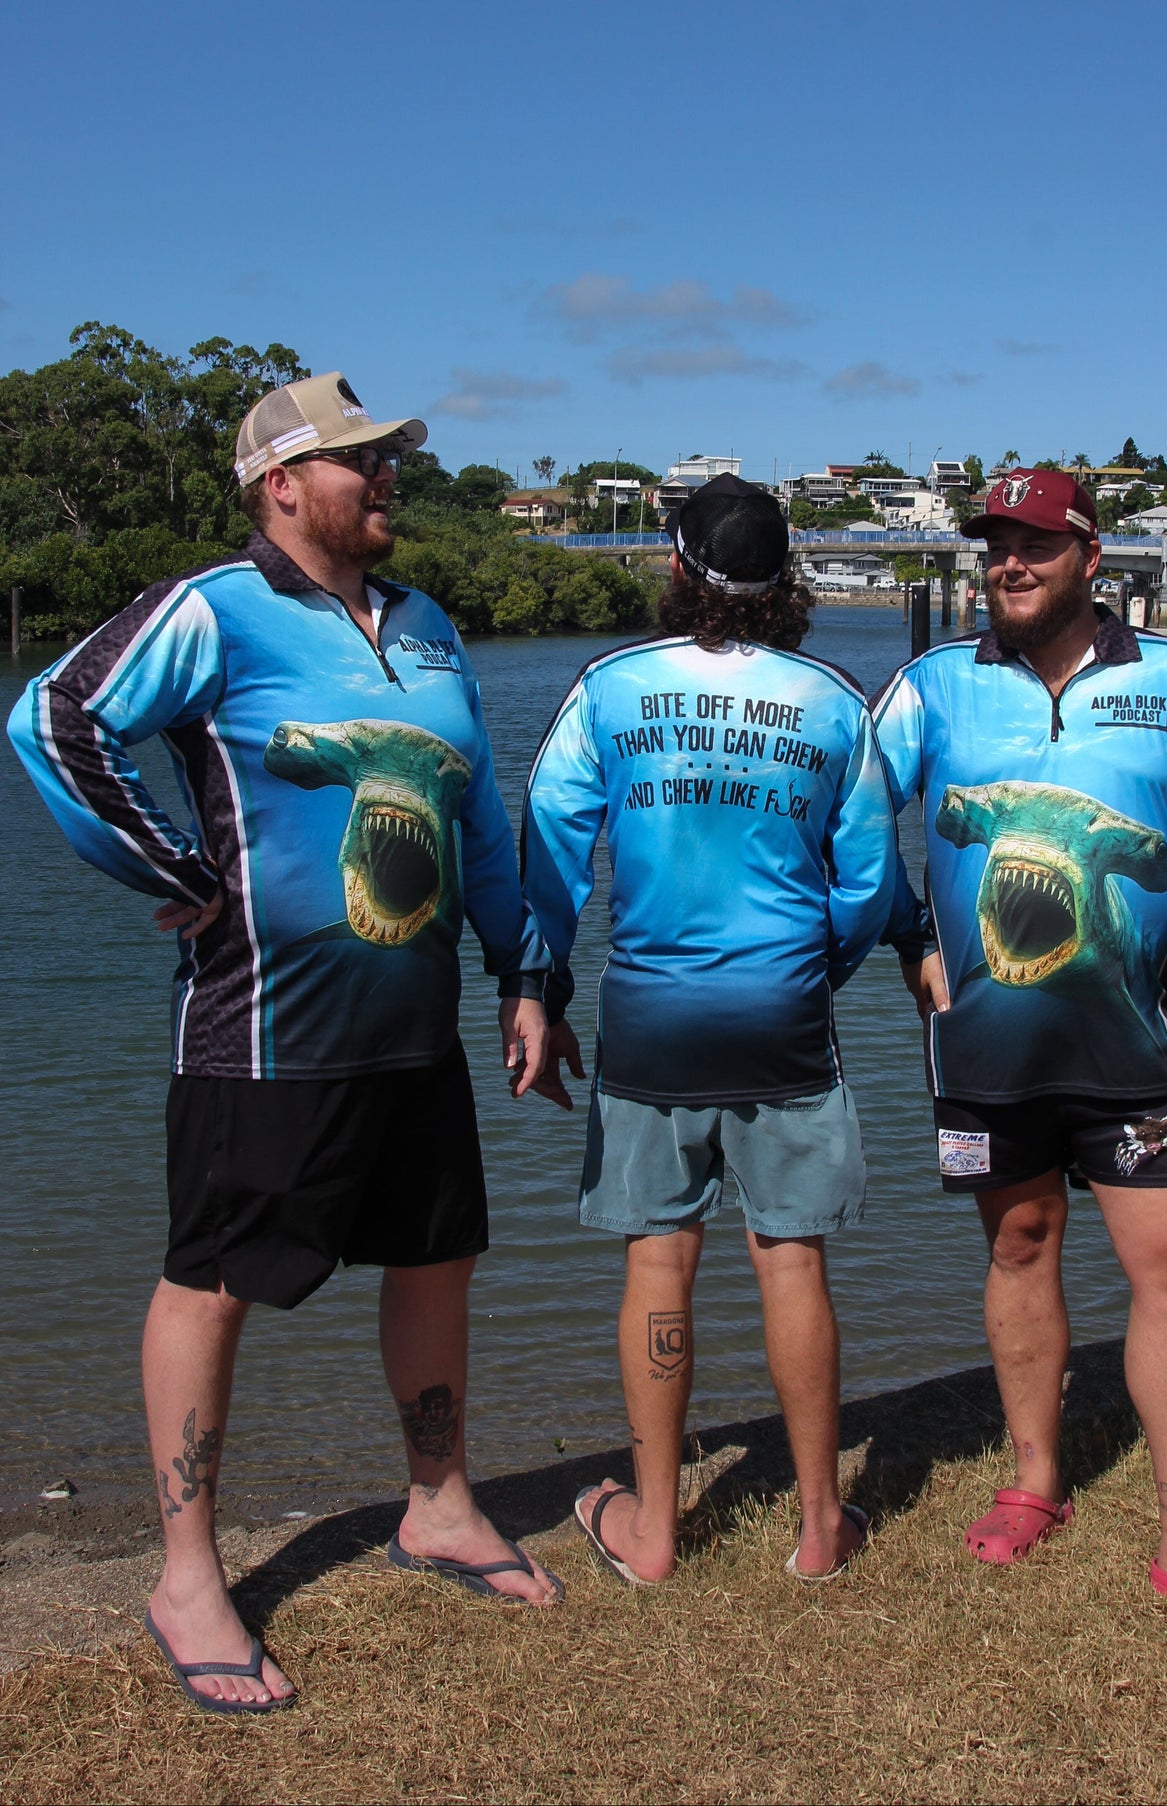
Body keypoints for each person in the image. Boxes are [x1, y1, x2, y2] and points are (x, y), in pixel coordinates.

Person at [8, 372, 563, 1714]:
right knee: (215, 1279)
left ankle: (437, 1503)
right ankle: (186, 1571)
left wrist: (525, 968)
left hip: (412, 1029)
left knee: (437, 1255)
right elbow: (56, 719)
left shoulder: (426, 626)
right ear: (281, 484)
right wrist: (171, 866)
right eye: (361, 464)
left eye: (391, 463)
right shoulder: (215, 606)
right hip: (261, 1033)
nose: (387, 481)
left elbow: (480, 816)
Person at [872, 467, 1167, 1637]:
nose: (1005, 564)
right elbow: (848, 816)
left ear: (1087, 557)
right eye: (992, 547)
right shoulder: (931, 687)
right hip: (981, 1047)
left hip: (1133, 1041)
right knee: (1018, 1245)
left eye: (1030, 544)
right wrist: (907, 933)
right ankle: (1034, 1480)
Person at [521, 475, 896, 1585]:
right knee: (792, 1262)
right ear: (786, 581)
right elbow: (870, 881)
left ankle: (652, 1533)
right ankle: (821, 1528)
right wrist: (807, 964)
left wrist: (534, 988)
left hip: (650, 1019)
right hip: (782, 1019)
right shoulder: (832, 700)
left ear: (676, 568)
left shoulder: (607, 688)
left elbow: (548, 844)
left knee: (658, 1263)